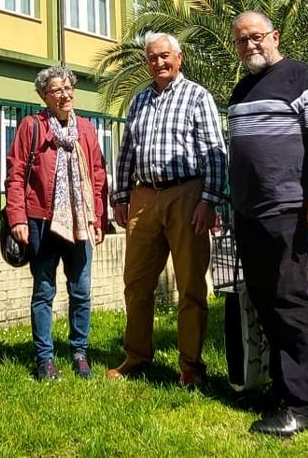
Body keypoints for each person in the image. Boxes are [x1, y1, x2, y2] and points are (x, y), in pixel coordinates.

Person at [227, 11, 308, 437]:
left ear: (274, 36)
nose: (250, 45)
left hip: (290, 208)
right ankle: (281, 389)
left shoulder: (301, 77)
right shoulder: (241, 89)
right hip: (248, 213)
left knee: (292, 303)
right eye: (241, 40)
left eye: (256, 37)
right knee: (266, 302)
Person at [108, 33, 227, 389]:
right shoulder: (140, 100)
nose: (158, 63)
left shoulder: (197, 96)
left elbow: (214, 152)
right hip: (144, 199)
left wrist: (209, 200)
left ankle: (190, 365)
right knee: (136, 283)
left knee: (190, 286)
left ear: (180, 57)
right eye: (152, 58)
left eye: (164, 56)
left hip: (186, 195)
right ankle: (137, 355)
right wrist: (121, 196)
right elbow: (127, 150)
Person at [5, 65, 107, 381]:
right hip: (41, 221)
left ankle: (79, 352)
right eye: (56, 89)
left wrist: (98, 218)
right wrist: (17, 217)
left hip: (80, 221)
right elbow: (16, 173)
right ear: (43, 96)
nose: (64, 94)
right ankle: (45, 359)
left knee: (81, 292)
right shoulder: (31, 126)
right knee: (43, 291)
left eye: (67, 88)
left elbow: (98, 174)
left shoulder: (87, 129)